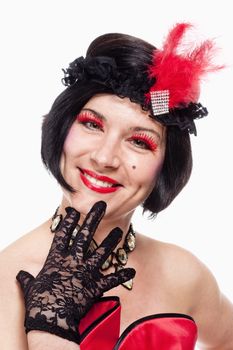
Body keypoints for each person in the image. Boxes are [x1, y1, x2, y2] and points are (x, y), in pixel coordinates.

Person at [0, 22, 232, 350]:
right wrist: (49, 331)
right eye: (92, 124)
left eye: (139, 141)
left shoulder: (185, 274)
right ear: (60, 128)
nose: (105, 158)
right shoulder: (5, 282)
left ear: (166, 165)